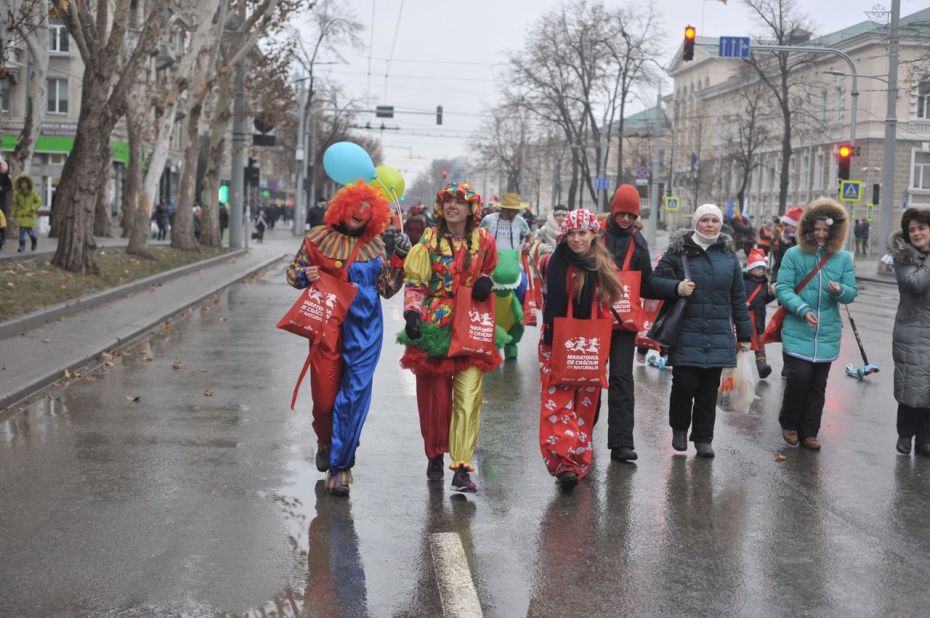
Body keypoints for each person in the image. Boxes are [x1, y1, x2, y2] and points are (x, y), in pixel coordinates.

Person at [285, 181, 408, 496]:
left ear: (374, 216)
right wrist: (306, 274)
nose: (360, 214)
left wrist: (399, 261)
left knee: (352, 398)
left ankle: (340, 467)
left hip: (365, 329)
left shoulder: (376, 246)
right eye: (356, 208)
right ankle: (325, 440)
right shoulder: (317, 238)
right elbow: (293, 273)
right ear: (342, 208)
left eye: (367, 211)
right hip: (327, 327)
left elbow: (387, 289)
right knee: (325, 400)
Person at [398, 182, 499, 493]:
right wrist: (412, 313)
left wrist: (485, 282)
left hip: (470, 322)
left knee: (468, 397)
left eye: (461, 201)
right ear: (441, 208)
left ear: (472, 209)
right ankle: (435, 455)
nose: (453, 206)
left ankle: (462, 467)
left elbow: (489, 272)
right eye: (448, 201)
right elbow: (415, 284)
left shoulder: (484, 240)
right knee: (436, 400)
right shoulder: (428, 240)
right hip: (434, 324)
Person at [649, 204, 754, 458]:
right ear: (696, 222)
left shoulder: (729, 256)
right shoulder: (678, 252)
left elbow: (738, 297)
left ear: (720, 225)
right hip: (686, 329)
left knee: (709, 388)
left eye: (714, 220)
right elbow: (652, 283)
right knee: (684, 383)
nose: (709, 225)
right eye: (704, 220)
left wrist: (745, 334)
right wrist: (677, 287)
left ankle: (704, 438)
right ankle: (679, 429)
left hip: (718, 331)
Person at [538, 209, 623, 489]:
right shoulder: (553, 262)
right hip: (556, 340)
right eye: (571, 233)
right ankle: (563, 463)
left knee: (584, 406)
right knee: (557, 402)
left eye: (582, 233)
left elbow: (614, 299)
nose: (576, 239)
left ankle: (576, 459)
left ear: (593, 235)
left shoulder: (603, 265)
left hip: (589, 343)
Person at [775, 198, 856, 450]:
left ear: (834, 232)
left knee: (818, 386)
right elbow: (783, 289)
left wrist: (839, 290)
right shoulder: (793, 254)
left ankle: (810, 432)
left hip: (827, 333)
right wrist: (803, 309)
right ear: (808, 230)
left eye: (826, 230)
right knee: (799, 378)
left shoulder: (842, 259)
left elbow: (851, 293)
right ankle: (789, 424)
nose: (821, 234)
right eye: (816, 229)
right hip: (799, 327)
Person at [602, 184, 654, 463]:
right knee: (587, 379)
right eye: (622, 213)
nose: (626, 219)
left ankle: (621, 443)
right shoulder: (595, 234)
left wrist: (676, 287)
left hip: (623, 322)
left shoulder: (639, 242)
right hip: (595, 320)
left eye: (631, 215)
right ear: (614, 209)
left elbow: (648, 282)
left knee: (622, 379)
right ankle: (580, 438)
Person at [888, 208, 930, 455]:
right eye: (912, 229)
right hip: (912, 332)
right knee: (911, 387)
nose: (916, 233)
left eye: (921, 227)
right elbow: (916, 283)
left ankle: (925, 439)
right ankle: (905, 434)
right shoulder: (904, 256)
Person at [480, 192, 532, 359]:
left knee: (523, 288)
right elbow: (478, 237)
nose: (514, 213)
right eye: (511, 210)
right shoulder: (489, 220)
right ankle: (489, 338)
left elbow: (529, 236)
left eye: (516, 210)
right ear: (503, 208)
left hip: (513, 267)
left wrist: (528, 244)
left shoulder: (520, 222)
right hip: (491, 267)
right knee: (487, 301)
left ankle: (514, 334)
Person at [743, 248, 776, 379]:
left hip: (757, 319)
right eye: (758, 268)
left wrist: (772, 294)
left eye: (762, 268)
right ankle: (732, 364)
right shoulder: (742, 280)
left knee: (759, 344)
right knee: (739, 343)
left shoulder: (763, 284)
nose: (761, 271)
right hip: (744, 318)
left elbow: (765, 299)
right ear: (750, 268)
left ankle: (762, 366)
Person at [11, 175, 40, 252]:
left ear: (28, 184)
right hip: (21, 215)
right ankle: (22, 246)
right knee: (21, 231)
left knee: (30, 231)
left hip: (29, 214)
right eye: (21, 183)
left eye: (24, 183)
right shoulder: (18, 194)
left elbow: (39, 202)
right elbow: (15, 204)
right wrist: (13, 214)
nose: (23, 184)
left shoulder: (33, 193)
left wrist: (32, 208)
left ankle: (34, 241)